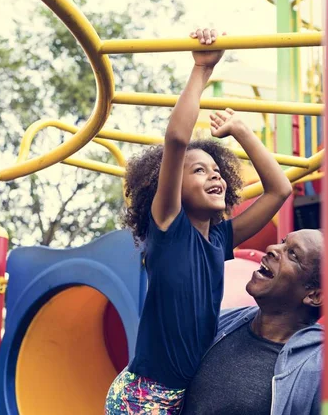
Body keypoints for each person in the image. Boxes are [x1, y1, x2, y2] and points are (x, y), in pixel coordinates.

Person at [105, 27, 292, 414]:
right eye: (199, 171)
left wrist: (240, 130)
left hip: (182, 393)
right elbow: (176, 139)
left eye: (217, 170)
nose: (215, 176)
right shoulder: (169, 227)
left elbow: (279, 191)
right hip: (144, 395)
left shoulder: (220, 239)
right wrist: (202, 70)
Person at [182, 229, 324, 415]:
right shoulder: (221, 323)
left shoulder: (320, 368)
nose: (272, 248)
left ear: (314, 295)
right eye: (282, 242)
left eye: (293, 254)